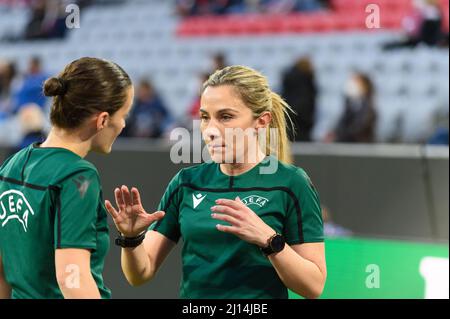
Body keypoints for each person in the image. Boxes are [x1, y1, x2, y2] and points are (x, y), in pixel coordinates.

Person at [106, 65, 326, 299]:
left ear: (261, 122)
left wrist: (269, 240)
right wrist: (131, 239)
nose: (210, 130)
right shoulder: (186, 183)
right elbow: (140, 273)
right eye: (204, 117)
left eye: (226, 117)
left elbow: (313, 286)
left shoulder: (292, 183)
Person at [0, 57, 133, 299]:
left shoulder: (12, 164)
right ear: (103, 120)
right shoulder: (78, 176)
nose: (123, 124)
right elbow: (72, 278)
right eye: (123, 114)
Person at [326, 72, 377, 143]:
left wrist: (340, 135)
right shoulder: (349, 106)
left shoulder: (368, 108)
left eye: (356, 82)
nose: (351, 85)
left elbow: (359, 128)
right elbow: (341, 123)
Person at [281, 56, 317, 142]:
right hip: (301, 126)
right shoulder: (305, 83)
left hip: (290, 124)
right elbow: (303, 106)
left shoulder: (290, 79)